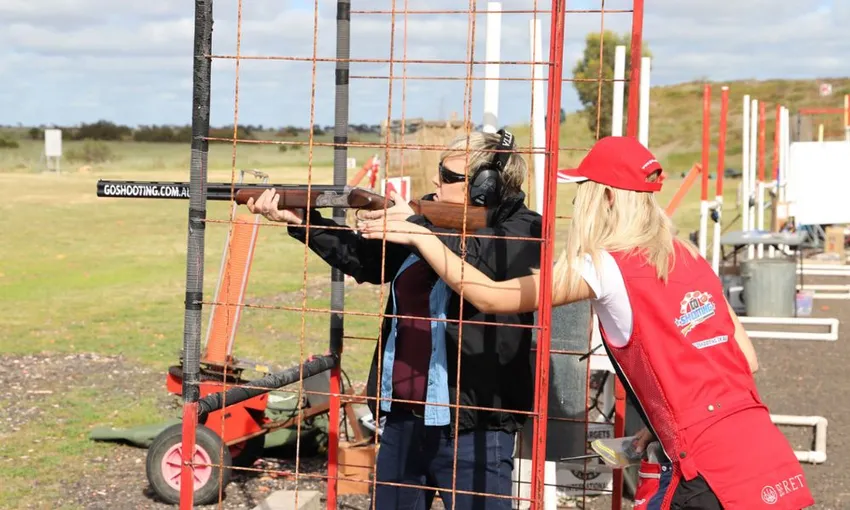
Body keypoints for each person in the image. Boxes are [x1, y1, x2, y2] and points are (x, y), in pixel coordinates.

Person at [357, 136, 815, 510]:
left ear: (608, 196)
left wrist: (419, 233)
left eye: (584, 191)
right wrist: (653, 429)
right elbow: (743, 360)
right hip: (762, 452)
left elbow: (491, 296)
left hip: (708, 471)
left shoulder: (605, 265)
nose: (579, 203)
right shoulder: (689, 255)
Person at [246, 129, 542, 509]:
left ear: (486, 186)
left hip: (475, 432)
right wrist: (305, 221)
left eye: (449, 177)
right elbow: (367, 260)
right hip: (404, 420)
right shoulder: (430, 220)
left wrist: (419, 226)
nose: (437, 181)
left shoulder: (524, 229)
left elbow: (481, 266)